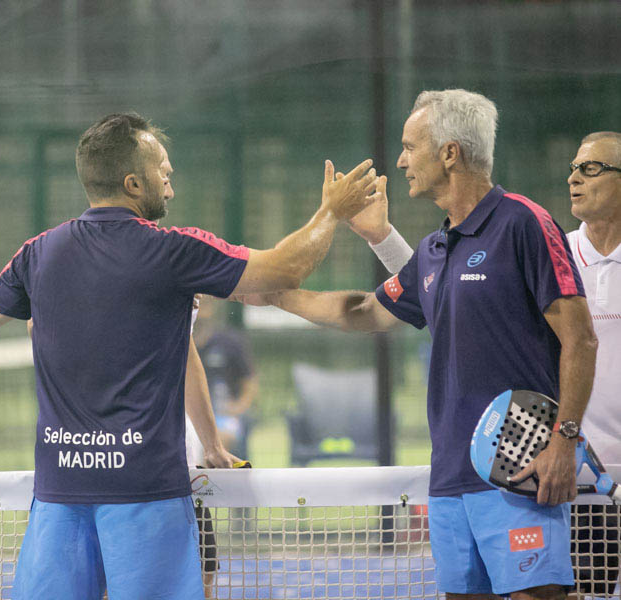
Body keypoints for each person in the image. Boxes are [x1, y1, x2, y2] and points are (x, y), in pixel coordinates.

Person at [0, 112, 381, 600]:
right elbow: (286, 269)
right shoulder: (175, 252)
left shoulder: (37, 253)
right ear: (133, 183)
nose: (170, 185)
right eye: (163, 172)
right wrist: (331, 212)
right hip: (146, 497)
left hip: (58, 498)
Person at [239, 90, 599, 600]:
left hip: (518, 473)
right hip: (449, 480)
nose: (402, 161)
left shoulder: (524, 223)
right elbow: (365, 311)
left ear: (450, 153)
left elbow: (581, 339)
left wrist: (563, 441)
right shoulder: (433, 249)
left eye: (410, 147)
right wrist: (275, 294)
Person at [565, 131, 621, 598]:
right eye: (573, 169)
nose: (574, 178)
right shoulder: (552, 257)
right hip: (579, 484)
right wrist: (381, 237)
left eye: (591, 168)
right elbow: (445, 298)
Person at [192, 295, 257, 458]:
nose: (201, 307)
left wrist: (238, 407)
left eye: (205, 302)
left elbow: (250, 381)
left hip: (222, 414)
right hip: (189, 415)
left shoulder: (229, 341)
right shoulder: (177, 342)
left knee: (218, 441)